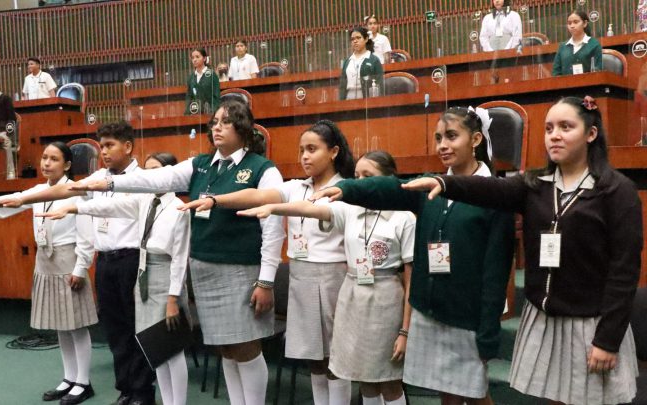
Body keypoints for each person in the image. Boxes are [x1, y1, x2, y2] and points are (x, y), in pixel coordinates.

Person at [403, 96, 641, 405]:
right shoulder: (536, 184)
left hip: (590, 324)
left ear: (591, 134)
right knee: (556, 399)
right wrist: (443, 182)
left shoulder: (617, 190)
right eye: (549, 128)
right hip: (546, 317)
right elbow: (487, 189)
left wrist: (607, 340)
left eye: (565, 127)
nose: (554, 135)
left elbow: (624, 273)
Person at [57, 100, 284, 405]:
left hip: (240, 270)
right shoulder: (201, 165)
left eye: (225, 122)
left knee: (245, 348)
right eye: (214, 121)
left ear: (242, 128)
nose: (216, 127)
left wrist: (267, 280)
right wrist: (109, 181)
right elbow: (152, 179)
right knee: (226, 350)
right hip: (204, 271)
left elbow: (273, 228)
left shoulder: (261, 168)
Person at [313, 107, 515, 405]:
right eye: (438, 138)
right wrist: (346, 188)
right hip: (432, 309)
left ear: (475, 139)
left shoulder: (495, 193)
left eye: (451, 136)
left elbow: (496, 271)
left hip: (468, 315)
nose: (442, 145)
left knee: (473, 393)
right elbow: (388, 188)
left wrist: (487, 331)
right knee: (449, 393)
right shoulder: (430, 186)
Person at [180, 120, 356, 404]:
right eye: (301, 151)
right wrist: (216, 200)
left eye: (312, 149)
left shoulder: (345, 189)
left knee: (334, 362)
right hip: (301, 278)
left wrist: (275, 207)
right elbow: (256, 194)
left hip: (332, 278)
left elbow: (316, 211)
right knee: (314, 361)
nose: (305, 157)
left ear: (334, 152)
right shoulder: (297, 186)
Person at [0, 122, 156, 405]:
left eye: (109, 145)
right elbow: (61, 194)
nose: (103, 151)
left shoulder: (142, 179)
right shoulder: (97, 178)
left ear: (128, 147)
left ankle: (142, 392)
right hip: (106, 261)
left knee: (136, 328)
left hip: (132, 259)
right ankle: (126, 389)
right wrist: (14, 200)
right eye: (101, 146)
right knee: (116, 331)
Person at [238, 151, 415, 405]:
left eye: (369, 176)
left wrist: (405, 331)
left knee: (387, 378)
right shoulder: (350, 209)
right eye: (356, 176)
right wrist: (274, 208)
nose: (360, 182)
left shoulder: (404, 217)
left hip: (386, 299)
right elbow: (309, 209)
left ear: (388, 180)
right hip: (351, 295)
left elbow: (411, 280)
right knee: (363, 376)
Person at [0, 142, 98, 405]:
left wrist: (81, 268)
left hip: (68, 260)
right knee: (61, 324)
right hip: (45, 260)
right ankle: (69, 378)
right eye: (44, 158)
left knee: (76, 325)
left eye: (54, 159)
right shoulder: (37, 191)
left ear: (67, 165)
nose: (46, 163)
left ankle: (83, 382)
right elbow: (4, 205)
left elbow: (86, 236)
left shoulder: (76, 192)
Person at [39, 152, 191, 405]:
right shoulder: (144, 201)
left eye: (155, 171)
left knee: (171, 350)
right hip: (145, 275)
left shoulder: (179, 208)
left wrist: (174, 298)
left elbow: (180, 258)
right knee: (155, 348)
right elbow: (109, 206)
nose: (148, 176)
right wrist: (74, 207)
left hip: (167, 279)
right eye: (146, 171)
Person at [552, 10, 603, 76]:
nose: (572, 26)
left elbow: (598, 71)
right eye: (569, 23)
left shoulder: (594, 44)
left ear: (585, 23)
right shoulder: (562, 47)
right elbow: (556, 73)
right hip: (566, 85)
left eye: (575, 22)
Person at [339, 27, 384, 100]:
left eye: (358, 38)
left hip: (367, 100)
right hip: (348, 100)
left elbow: (380, 84)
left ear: (366, 39)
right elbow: (342, 86)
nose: (355, 41)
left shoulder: (374, 60)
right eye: (352, 39)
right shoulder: (347, 61)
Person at [184, 48, 221, 115]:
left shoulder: (212, 75)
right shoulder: (191, 78)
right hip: (195, 113)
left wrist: (214, 112)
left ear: (204, 58)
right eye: (192, 58)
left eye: (197, 57)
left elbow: (216, 96)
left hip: (210, 112)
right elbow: (189, 98)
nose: (194, 60)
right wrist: (187, 114)